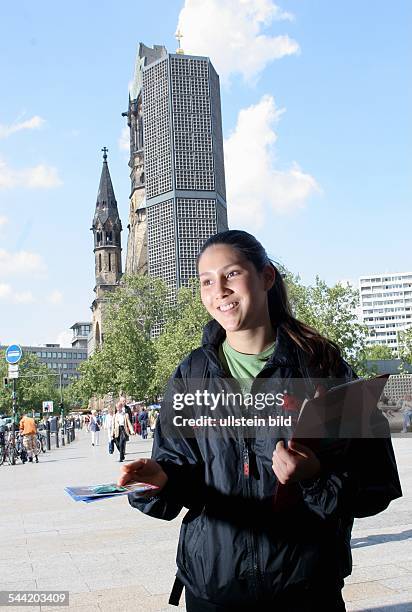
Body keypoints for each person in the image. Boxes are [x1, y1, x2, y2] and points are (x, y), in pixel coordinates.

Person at [119, 230, 402, 611]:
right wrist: (161, 480)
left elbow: (376, 483)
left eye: (231, 274)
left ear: (266, 277)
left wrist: (315, 474)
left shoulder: (321, 366)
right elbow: (180, 476)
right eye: (206, 281)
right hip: (213, 590)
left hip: (306, 589)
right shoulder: (192, 374)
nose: (218, 290)